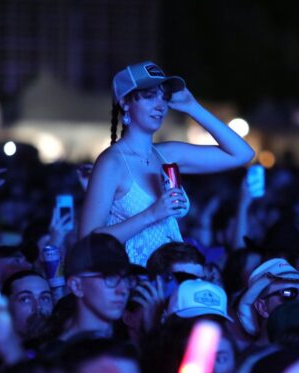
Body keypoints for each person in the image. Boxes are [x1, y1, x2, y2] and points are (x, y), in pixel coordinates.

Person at [79, 61, 254, 266]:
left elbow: (242, 154)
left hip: (171, 281)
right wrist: (152, 214)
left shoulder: (167, 154)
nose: (160, 105)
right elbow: (87, 241)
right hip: (134, 284)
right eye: (149, 96)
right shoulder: (112, 163)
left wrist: (193, 107)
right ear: (125, 102)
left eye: (164, 96)